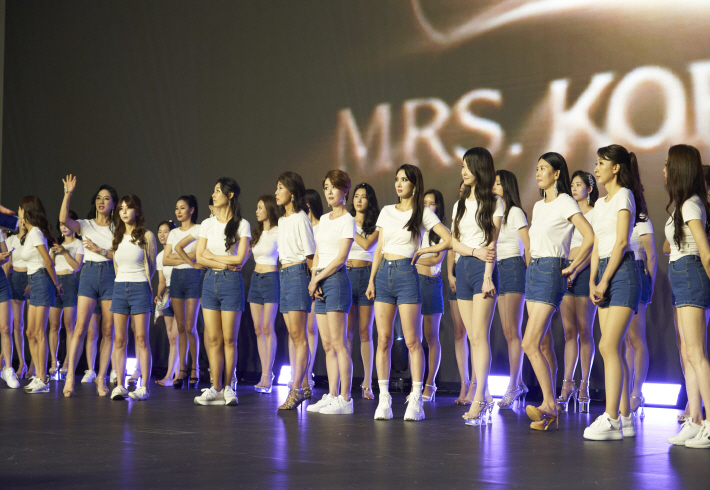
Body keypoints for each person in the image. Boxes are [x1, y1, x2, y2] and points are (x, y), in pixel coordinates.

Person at [367, 164, 452, 421]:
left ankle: (416, 400)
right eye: (397, 179)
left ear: (414, 184)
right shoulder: (386, 211)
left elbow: (448, 238)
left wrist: (424, 250)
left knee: (413, 340)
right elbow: (379, 249)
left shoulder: (422, 212)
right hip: (384, 274)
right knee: (383, 339)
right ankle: (384, 399)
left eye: (404, 179)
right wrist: (371, 280)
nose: (399, 183)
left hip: (406, 273)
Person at [522, 152, 594, 431]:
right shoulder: (538, 206)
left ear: (556, 173)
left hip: (552, 270)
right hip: (534, 271)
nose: (538, 173)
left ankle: (550, 404)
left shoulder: (565, 201)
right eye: (536, 168)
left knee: (529, 343)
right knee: (539, 344)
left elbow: (589, 236)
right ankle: (550, 408)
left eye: (543, 168)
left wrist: (573, 266)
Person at [583, 144, 646, 440]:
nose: (596, 168)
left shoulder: (624, 195)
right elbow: (597, 245)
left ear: (616, 167)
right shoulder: (600, 204)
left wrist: (605, 280)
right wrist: (593, 280)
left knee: (607, 345)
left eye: (601, 163)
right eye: (596, 163)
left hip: (623, 273)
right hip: (604, 274)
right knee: (614, 348)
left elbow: (621, 242)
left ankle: (610, 419)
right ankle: (624, 418)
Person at [447, 148, 503, 426]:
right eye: (462, 166)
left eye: (468, 166)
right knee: (472, 336)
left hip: (483, 270)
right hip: (464, 266)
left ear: (480, 168)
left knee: (480, 336)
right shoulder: (459, 204)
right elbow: (453, 242)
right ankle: (486, 394)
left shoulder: (494, 202)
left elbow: (492, 243)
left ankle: (479, 398)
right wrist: (471, 252)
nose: (464, 171)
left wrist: (488, 275)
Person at [664, 145, 710, 448]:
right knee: (687, 352)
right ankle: (694, 419)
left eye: (668, 165)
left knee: (696, 352)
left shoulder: (691, 205)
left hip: (691, 275)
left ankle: (708, 422)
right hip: (681, 276)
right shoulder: (684, 204)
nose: (664, 170)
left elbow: (705, 253)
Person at [193, 178, 251, 406]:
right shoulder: (207, 224)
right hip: (210, 281)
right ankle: (215, 387)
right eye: (214, 190)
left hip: (231, 283)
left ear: (230, 195)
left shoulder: (242, 224)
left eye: (218, 190)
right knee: (213, 338)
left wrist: (214, 257)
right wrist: (224, 262)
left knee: (229, 339)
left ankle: (228, 387)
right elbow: (199, 257)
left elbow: (240, 259)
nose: (214, 194)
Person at [60, 176, 118, 397]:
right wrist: (68, 193)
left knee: (108, 330)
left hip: (111, 274)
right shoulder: (85, 224)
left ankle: (101, 377)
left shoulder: (117, 227)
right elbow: (63, 219)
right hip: (89, 274)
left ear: (113, 203)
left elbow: (119, 255)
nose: (101, 202)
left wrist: (99, 250)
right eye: (98, 198)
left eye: (106, 198)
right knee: (80, 327)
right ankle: (70, 377)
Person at [306, 170, 356, 414]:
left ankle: (345, 399)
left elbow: (340, 258)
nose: (329, 191)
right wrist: (314, 277)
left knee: (339, 343)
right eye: (326, 187)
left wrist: (318, 278)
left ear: (345, 190)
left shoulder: (348, 220)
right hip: (320, 280)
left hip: (335, 280)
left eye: (333, 187)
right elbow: (318, 253)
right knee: (327, 344)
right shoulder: (324, 219)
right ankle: (333, 393)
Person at [557, 171, 598, 412]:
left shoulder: (595, 212)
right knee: (568, 331)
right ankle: (567, 384)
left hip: (584, 272)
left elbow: (594, 247)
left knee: (585, 330)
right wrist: (568, 270)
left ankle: (584, 385)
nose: (574, 188)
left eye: (579, 185)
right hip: (566, 271)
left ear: (589, 189)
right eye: (572, 185)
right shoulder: (568, 211)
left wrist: (575, 270)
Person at [109, 195, 157, 401]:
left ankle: (144, 386)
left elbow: (151, 265)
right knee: (119, 339)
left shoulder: (147, 236)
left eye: (128, 208)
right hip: (119, 287)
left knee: (141, 338)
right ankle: (120, 385)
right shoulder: (117, 236)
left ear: (137, 210)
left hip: (139, 287)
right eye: (121, 209)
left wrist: (142, 282)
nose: (124, 212)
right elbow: (116, 265)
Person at [275, 172, 316, 409]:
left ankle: (296, 389)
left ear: (292, 191)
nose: (277, 192)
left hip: (299, 274)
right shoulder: (282, 220)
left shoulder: (301, 218)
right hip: (284, 274)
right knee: (294, 335)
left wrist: (313, 281)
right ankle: (305, 384)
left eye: (281, 187)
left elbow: (310, 254)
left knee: (299, 337)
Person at [492, 170, 530, 409]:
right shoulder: (495, 213)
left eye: (497, 183)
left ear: (506, 186)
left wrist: (532, 275)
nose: (493, 187)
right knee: (507, 331)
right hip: (498, 268)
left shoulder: (515, 212)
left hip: (514, 267)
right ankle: (519, 382)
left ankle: (514, 385)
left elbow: (528, 246)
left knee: (513, 331)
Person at [20, 196, 63, 394]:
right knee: (30, 332)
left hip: (43, 281)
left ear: (26, 211)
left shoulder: (36, 232)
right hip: (35, 281)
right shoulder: (30, 233)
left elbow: (47, 261)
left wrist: (56, 284)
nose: (19, 213)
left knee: (38, 331)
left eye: (20, 209)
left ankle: (42, 378)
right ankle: (38, 374)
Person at [164, 195, 202, 389]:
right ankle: (182, 368)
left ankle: (195, 368)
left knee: (190, 327)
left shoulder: (199, 229)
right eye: (176, 208)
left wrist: (179, 256)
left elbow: (198, 255)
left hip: (193, 277)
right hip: (177, 277)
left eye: (182, 208)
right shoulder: (173, 233)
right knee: (179, 327)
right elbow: (166, 259)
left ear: (192, 210)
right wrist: (187, 258)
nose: (178, 211)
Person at [346, 183, 379, 399]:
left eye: (363, 196)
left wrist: (348, 228)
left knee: (365, 331)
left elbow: (367, 245)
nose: (358, 200)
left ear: (370, 200)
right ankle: (346, 381)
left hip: (367, 276)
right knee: (347, 332)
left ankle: (367, 382)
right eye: (356, 196)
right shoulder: (346, 221)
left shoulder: (377, 225)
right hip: (347, 274)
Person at [624, 208, 656, 419]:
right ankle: (627, 391)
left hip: (636, 271)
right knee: (625, 340)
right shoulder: (617, 217)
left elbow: (651, 256)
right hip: (619, 272)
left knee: (636, 338)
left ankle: (637, 392)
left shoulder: (642, 221)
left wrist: (650, 285)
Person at [416, 190, 448, 402]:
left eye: (432, 203)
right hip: (412, 283)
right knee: (414, 338)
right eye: (424, 202)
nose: (427, 206)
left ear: (438, 207)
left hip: (430, 283)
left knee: (431, 337)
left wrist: (414, 258)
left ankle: (430, 383)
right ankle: (416, 384)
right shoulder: (415, 230)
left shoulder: (443, 231)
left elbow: (436, 259)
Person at [248, 195, 280, 394]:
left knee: (268, 327)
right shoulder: (257, 232)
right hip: (255, 279)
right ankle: (263, 373)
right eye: (257, 207)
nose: (257, 211)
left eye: (260, 207)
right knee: (258, 328)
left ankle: (268, 374)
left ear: (269, 209)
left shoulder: (278, 230)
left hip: (271, 279)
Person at [48, 211, 84, 376]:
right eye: (61, 224)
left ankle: (68, 361)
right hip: (55, 281)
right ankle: (53, 361)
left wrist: (63, 252)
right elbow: (49, 264)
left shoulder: (78, 243)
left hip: (70, 282)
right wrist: (52, 252)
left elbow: (77, 266)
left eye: (67, 224)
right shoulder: (55, 242)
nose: (64, 227)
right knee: (54, 325)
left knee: (70, 325)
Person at [155, 219, 179, 387]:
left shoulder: (178, 252)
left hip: (179, 294)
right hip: (167, 295)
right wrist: (159, 294)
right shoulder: (159, 256)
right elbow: (162, 281)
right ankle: (176, 375)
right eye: (160, 232)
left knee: (176, 335)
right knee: (172, 337)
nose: (162, 235)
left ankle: (171, 376)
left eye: (166, 231)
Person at [4, 227, 29, 379]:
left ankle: (34, 366)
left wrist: (32, 281)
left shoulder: (34, 237)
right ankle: (22, 363)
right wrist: (5, 283)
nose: (23, 221)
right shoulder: (11, 240)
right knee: (18, 325)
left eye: (25, 217)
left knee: (33, 327)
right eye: (20, 218)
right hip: (16, 278)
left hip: (32, 276)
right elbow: (7, 263)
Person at [0, 228, 18, 388]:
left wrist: (3, 258)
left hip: (1, 282)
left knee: (6, 328)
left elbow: (5, 258)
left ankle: (8, 369)